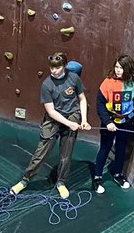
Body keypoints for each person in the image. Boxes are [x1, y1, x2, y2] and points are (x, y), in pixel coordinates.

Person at [10, 55, 89, 199]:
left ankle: (61, 182)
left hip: (72, 115)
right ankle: (25, 180)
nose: (53, 71)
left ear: (64, 66)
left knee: (66, 154)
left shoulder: (74, 78)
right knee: (41, 153)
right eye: (51, 67)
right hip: (54, 119)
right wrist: (68, 123)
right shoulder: (47, 84)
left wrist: (83, 120)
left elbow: (82, 99)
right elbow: (51, 111)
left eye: (57, 67)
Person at [93, 55, 134, 194]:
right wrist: (108, 122)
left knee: (121, 148)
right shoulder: (107, 83)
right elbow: (100, 105)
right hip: (110, 121)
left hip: (126, 122)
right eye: (116, 67)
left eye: (121, 68)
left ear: (128, 69)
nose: (118, 70)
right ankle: (97, 176)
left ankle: (117, 174)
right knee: (105, 148)